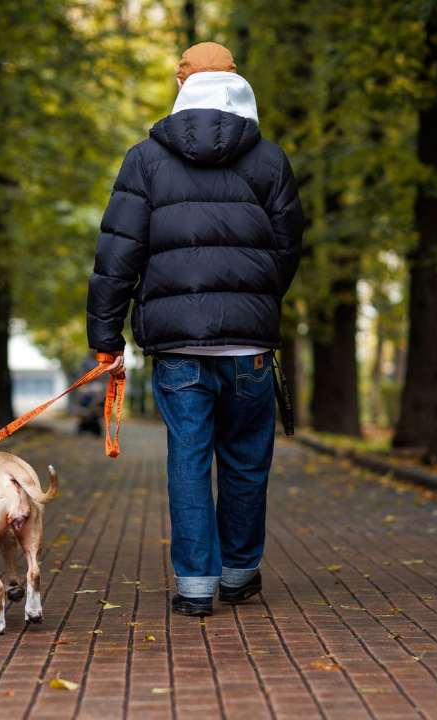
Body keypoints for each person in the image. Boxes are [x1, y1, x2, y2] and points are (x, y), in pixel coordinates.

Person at [86, 42, 303, 616]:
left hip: (177, 346)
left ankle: (195, 586)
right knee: (245, 460)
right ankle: (239, 574)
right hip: (250, 348)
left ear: (181, 88)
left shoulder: (144, 160)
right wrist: (253, 303)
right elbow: (286, 250)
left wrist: (106, 335)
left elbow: (119, 254)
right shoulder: (270, 160)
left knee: (187, 458)